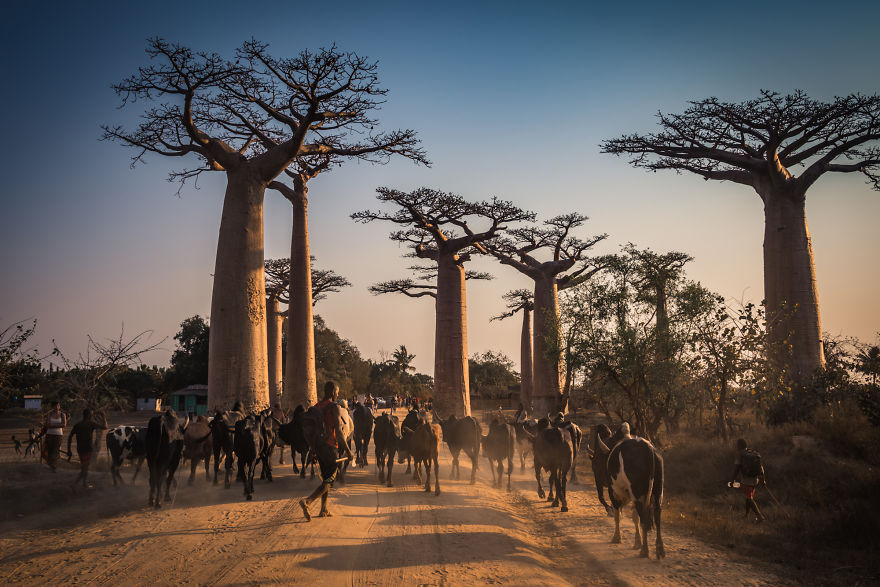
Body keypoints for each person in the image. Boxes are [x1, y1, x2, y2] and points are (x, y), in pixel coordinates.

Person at [300, 381, 354, 521]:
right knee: (330, 481)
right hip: (330, 448)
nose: (337, 394)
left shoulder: (316, 407)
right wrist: (348, 451)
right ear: (333, 392)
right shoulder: (334, 407)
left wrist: (313, 451)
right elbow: (340, 433)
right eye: (337, 392)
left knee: (325, 478)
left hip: (318, 447)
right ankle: (308, 501)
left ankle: (323, 509)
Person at [67, 408, 109, 489]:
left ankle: (84, 483)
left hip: (80, 449)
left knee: (85, 467)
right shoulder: (91, 424)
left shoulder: (78, 425)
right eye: (91, 414)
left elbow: (70, 437)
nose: (92, 416)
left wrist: (69, 450)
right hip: (88, 449)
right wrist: (103, 416)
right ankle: (74, 484)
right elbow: (105, 427)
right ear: (89, 415)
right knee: (85, 468)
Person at [729, 438, 766, 522]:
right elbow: (761, 468)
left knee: (749, 498)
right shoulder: (753, 453)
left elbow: (737, 468)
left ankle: (760, 516)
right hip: (755, 480)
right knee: (748, 497)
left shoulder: (739, 454)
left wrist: (732, 480)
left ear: (739, 446)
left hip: (746, 480)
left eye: (736, 445)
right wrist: (763, 480)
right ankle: (746, 515)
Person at [42, 401, 67, 471]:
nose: (57, 407)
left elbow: (64, 425)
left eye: (58, 406)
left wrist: (52, 425)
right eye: (55, 406)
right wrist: (58, 425)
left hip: (58, 435)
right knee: (49, 450)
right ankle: (51, 465)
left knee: (55, 450)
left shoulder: (62, 414)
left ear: (59, 406)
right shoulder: (49, 414)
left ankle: (54, 465)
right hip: (50, 435)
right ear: (52, 407)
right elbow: (47, 424)